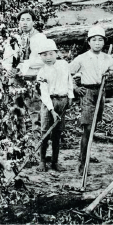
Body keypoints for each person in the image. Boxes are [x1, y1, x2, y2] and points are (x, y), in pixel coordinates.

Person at [70, 26, 113, 175]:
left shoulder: (107, 57)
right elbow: (67, 73)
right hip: (87, 93)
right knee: (88, 129)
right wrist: (75, 88)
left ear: (104, 42)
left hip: (101, 92)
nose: (97, 43)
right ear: (89, 42)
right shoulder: (82, 58)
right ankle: (83, 162)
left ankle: (84, 156)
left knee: (94, 126)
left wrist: (111, 72)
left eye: (100, 40)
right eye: (94, 40)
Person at [2, 9, 48, 131]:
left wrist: (22, 66)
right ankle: (18, 141)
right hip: (17, 80)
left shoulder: (40, 38)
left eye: (28, 20)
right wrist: (10, 69)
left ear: (33, 22)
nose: (25, 23)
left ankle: (37, 142)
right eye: (22, 20)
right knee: (16, 111)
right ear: (18, 22)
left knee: (35, 113)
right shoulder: (14, 39)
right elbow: (7, 58)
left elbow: (42, 60)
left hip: (33, 79)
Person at [36, 39, 74, 172]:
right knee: (45, 133)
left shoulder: (63, 65)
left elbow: (69, 80)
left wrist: (70, 97)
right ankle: (42, 161)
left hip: (62, 100)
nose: (48, 57)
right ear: (40, 56)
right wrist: (51, 110)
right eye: (44, 55)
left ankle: (54, 161)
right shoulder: (41, 72)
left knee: (57, 133)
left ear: (56, 53)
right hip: (48, 104)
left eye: (51, 54)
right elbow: (44, 93)